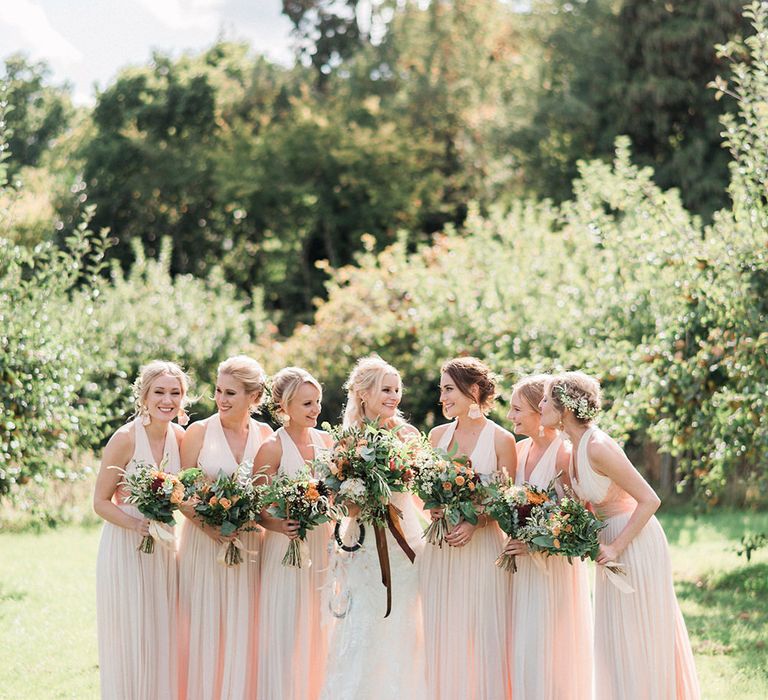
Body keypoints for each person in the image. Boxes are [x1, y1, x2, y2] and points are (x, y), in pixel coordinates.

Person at [541, 371, 700, 699]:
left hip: (633, 539)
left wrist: (615, 547)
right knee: (615, 637)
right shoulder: (574, 448)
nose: (540, 404)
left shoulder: (598, 446)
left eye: (545, 399)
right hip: (607, 542)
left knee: (638, 632)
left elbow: (649, 499)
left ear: (566, 408)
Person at [320, 356, 428, 700]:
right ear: (363, 394)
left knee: (403, 616)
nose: (394, 396)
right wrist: (358, 495)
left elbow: (420, 488)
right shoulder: (347, 440)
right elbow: (338, 499)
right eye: (386, 389)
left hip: (405, 536)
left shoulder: (408, 434)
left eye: (397, 389)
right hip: (364, 538)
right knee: (365, 613)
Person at [420, 356, 516, 699]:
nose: (442, 398)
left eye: (449, 389)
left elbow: (507, 500)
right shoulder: (436, 435)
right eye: (442, 390)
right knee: (443, 629)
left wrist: (475, 521)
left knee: (482, 629)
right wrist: (434, 506)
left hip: (482, 549)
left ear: (473, 389)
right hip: (441, 547)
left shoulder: (502, 439)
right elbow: (424, 490)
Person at [177, 355, 272, 700]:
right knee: (205, 628)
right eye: (218, 390)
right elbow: (180, 491)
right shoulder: (199, 431)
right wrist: (210, 527)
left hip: (248, 544)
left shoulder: (265, 435)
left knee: (244, 629)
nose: (221, 399)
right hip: (203, 545)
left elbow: (268, 494)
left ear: (254, 396)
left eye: (231, 392)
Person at [94, 360, 189, 700]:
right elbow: (100, 502)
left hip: (164, 546)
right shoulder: (124, 439)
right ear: (144, 396)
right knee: (132, 633)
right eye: (159, 392)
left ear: (183, 398)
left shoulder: (180, 437)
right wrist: (139, 524)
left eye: (175, 393)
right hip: (127, 543)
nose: (167, 400)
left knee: (163, 631)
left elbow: (187, 494)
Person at [504, 374, 593, 699]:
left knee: (550, 647)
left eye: (517, 409)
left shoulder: (563, 455)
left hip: (553, 568)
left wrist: (535, 542)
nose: (511, 416)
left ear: (538, 413)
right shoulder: (519, 448)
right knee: (524, 645)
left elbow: (574, 517)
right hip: (521, 567)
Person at [254, 367, 332, 700]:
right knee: (285, 629)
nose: (315, 410)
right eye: (306, 404)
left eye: (317, 402)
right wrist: (277, 524)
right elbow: (256, 506)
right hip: (285, 549)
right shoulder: (272, 447)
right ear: (285, 407)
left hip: (321, 546)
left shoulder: (325, 441)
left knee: (319, 629)